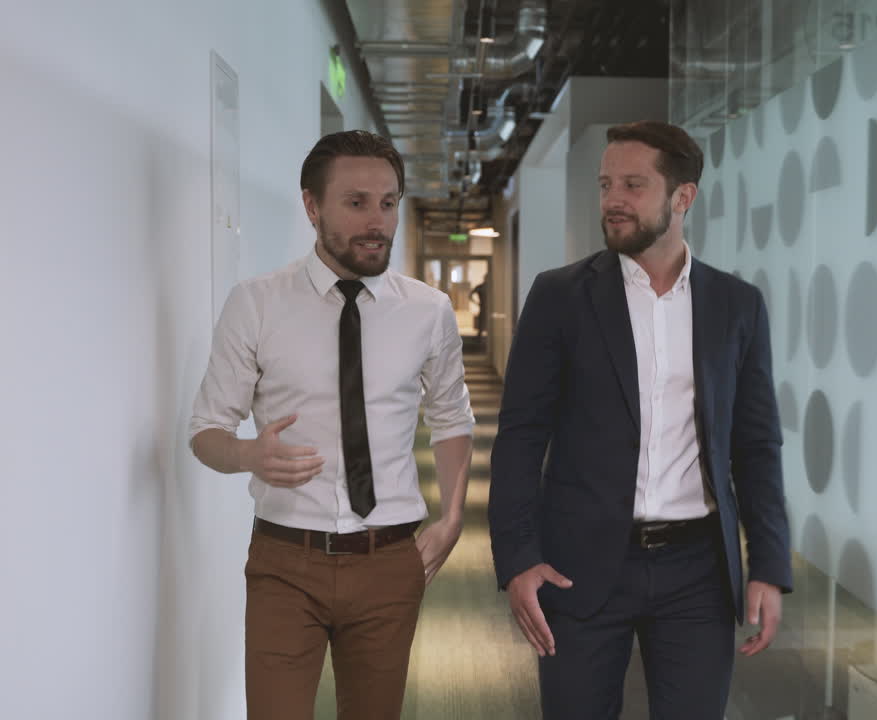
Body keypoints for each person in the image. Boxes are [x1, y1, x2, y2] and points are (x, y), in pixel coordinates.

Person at [489, 120, 792, 719]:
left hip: (698, 570)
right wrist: (518, 556)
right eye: (606, 185)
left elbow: (756, 445)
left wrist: (770, 565)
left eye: (632, 184)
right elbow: (521, 436)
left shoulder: (737, 306)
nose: (613, 201)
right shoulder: (561, 296)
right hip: (578, 564)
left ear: (683, 197)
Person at [188, 130, 475, 720]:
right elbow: (205, 431)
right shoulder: (257, 303)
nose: (377, 221)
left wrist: (451, 518)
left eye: (389, 203)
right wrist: (247, 456)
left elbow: (451, 417)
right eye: (356, 202)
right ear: (312, 206)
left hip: (389, 562)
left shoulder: (428, 311)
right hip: (285, 563)